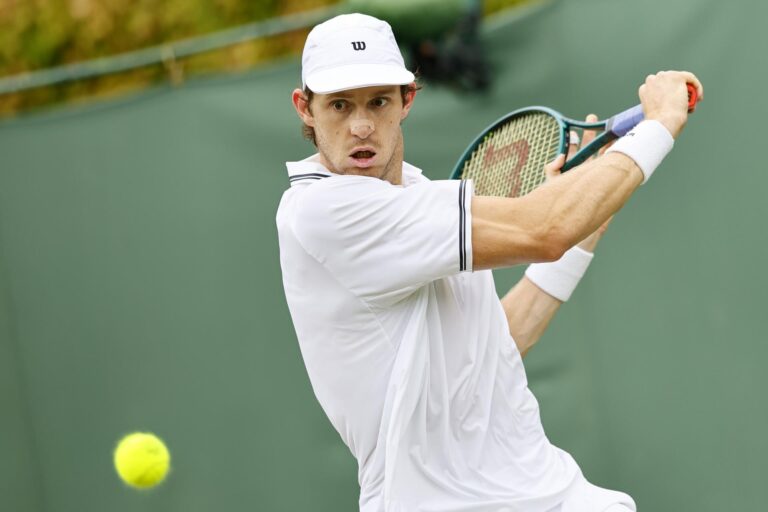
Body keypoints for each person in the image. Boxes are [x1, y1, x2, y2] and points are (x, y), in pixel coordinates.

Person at [276, 13, 702, 512]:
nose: (362, 124)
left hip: (551, 493)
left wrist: (584, 231)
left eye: (378, 101)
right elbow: (544, 230)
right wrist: (657, 126)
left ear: (408, 99)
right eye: (340, 105)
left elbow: (492, 347)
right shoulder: (322, 211)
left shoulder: (422, 199)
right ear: (305, 108)